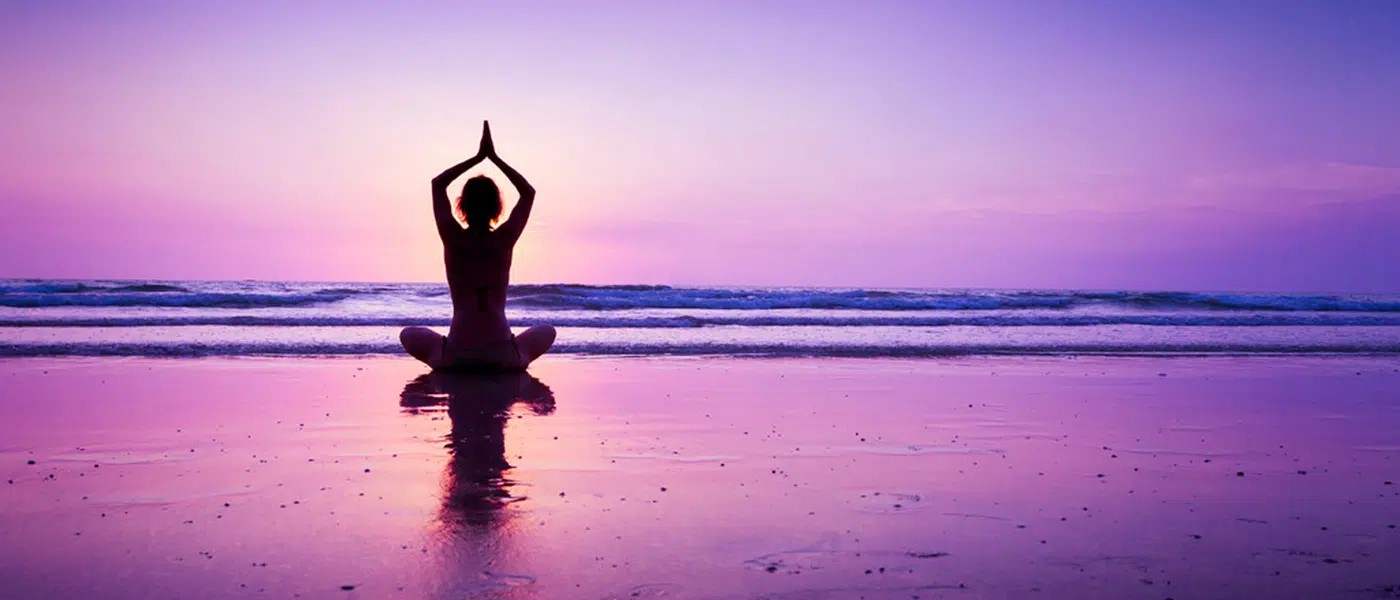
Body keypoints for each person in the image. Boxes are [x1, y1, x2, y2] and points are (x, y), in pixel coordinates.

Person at [400, 121, 555, 371]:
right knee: (547, 331)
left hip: (456, 356)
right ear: (497, 207)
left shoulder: (452, 237)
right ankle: (518, 355)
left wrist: (476, 158)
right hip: (502, 356)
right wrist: (493, 158)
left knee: (408, 333)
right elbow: (528, 193)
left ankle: (443, 355)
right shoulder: (504, 240)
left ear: (461, 205)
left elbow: (437, 184)